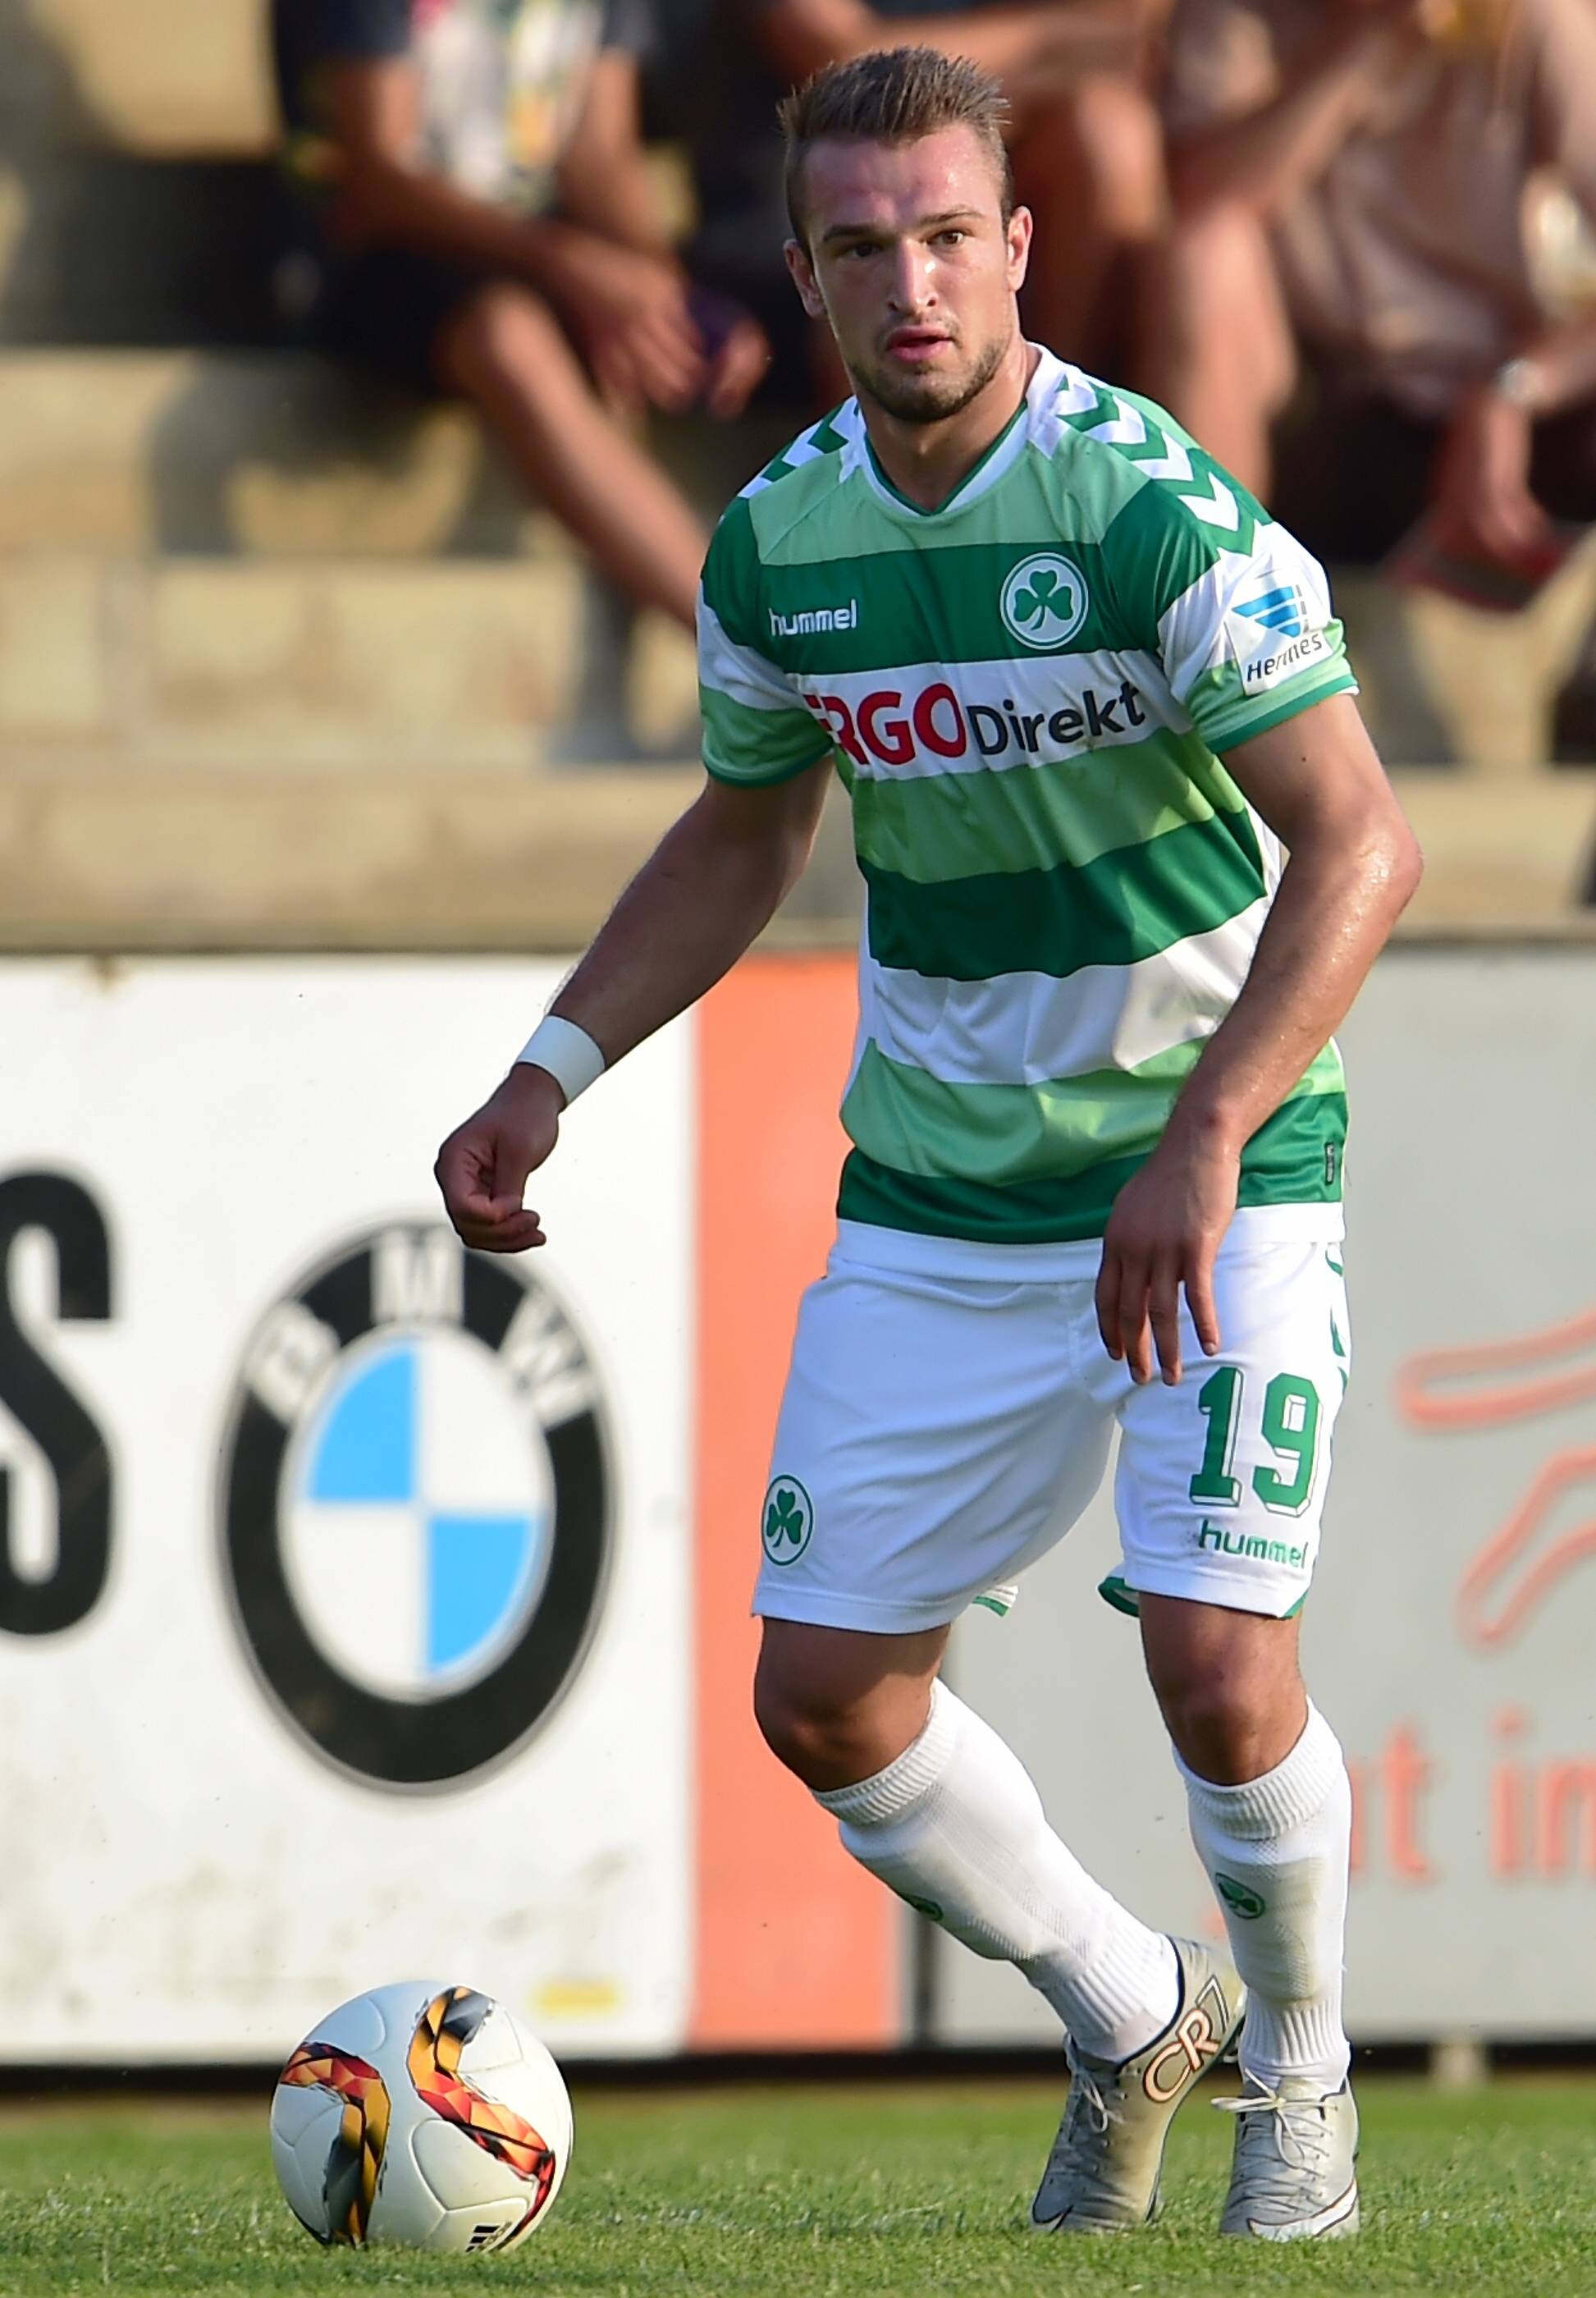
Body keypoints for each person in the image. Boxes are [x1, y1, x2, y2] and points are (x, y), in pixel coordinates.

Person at [436, 46, 1423, 2240]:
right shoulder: (778, 542)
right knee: (822, 1701)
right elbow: (744, 828)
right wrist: (547, 1069)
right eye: (863, 245)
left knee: (1213, 1663)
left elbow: (1361, 842)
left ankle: (1301, 2083)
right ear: (802, 274)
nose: (913, 283)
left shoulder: (1145, 507)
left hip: (1210, 1165)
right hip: (943, 1195)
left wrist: (1208, 1127)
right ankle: (1128, 2006)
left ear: (1018, 245)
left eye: (950, 234)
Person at [270, 0, 770, 634]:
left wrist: (664, 293)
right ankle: (744, 648)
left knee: (684, 331)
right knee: (508, 335)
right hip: (374, 255)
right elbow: (379, 180)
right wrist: (574, 266)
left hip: (533, 251)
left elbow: (597, 153)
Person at [1150, 0, 1596, 572]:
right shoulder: (1239, 16)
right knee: (1204, 253)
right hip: (1317, 395)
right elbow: (1202, 197)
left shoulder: (1531, 20)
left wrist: (1513, 388)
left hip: (1487, 396)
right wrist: (1365, 48)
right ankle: (1220, 592)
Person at [677, 0, 1167, 399]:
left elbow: (1129, 32)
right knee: (880, 230)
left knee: (1108, 134)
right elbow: (852, 68)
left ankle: (1054, 420)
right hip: (785, 251)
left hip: (972, 222)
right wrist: (1054, 38)